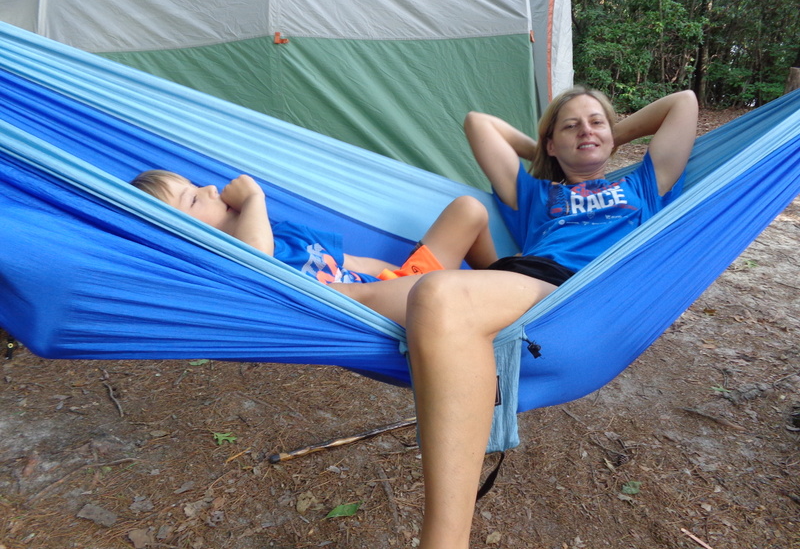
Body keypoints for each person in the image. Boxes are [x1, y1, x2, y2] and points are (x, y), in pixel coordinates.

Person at [397, 85, 698, 548]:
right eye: (571, 126)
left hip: (565, 295)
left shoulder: (643, 184)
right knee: (359, 296)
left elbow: (684, 102)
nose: (586, 130)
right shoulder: (537, 194)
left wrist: (606, 135)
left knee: (435, 292)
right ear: (552, 145)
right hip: (510, 279)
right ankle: (292, 261)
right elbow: (478, 122)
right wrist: (548, 148)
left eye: (596, 122)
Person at [130, 170, 498, 300]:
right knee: (443, 291)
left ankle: (504, 275)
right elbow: (255, 259)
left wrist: (405, 277)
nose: (210, 187)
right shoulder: (234, 262)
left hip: (402, 289)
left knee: (468, 209)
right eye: (194, 198)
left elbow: (355, 262)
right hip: (386, 313)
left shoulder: (286, 233)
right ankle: (508, 289)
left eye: (196, 184)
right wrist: (255, 199)